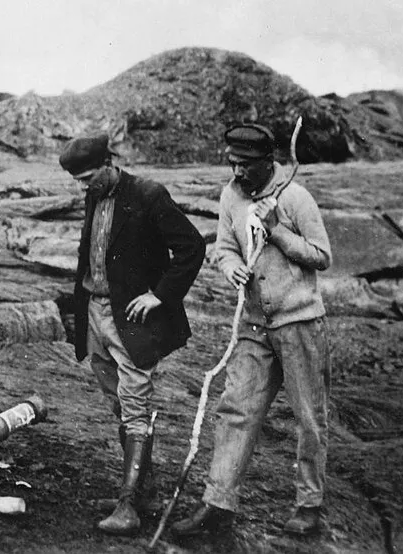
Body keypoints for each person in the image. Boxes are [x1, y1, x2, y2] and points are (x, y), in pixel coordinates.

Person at [172, 124, 332, 538]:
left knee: (309, 418)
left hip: (299, 323)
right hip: (255, 326)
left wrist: (277, 229)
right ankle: (218, 504)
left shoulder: (296, 197)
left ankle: (308, 504)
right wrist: (230, 267)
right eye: (232, 164)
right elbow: (224, 246)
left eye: (244, 165)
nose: (237, 172)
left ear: (267, 162)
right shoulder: (231, 196)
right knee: (236, 410)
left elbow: (321, 255)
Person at [59, 134, 206, 535]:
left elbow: (192, 247)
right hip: (95, 312)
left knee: (135, 405)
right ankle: (144, 492)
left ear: (109, 162)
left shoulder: (148, 194)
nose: (83, 186)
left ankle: (128, 506)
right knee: (119, 407)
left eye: (88, 177)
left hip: (132, 320)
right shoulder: (95, 193)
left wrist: (159, 295)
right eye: (78, 181)